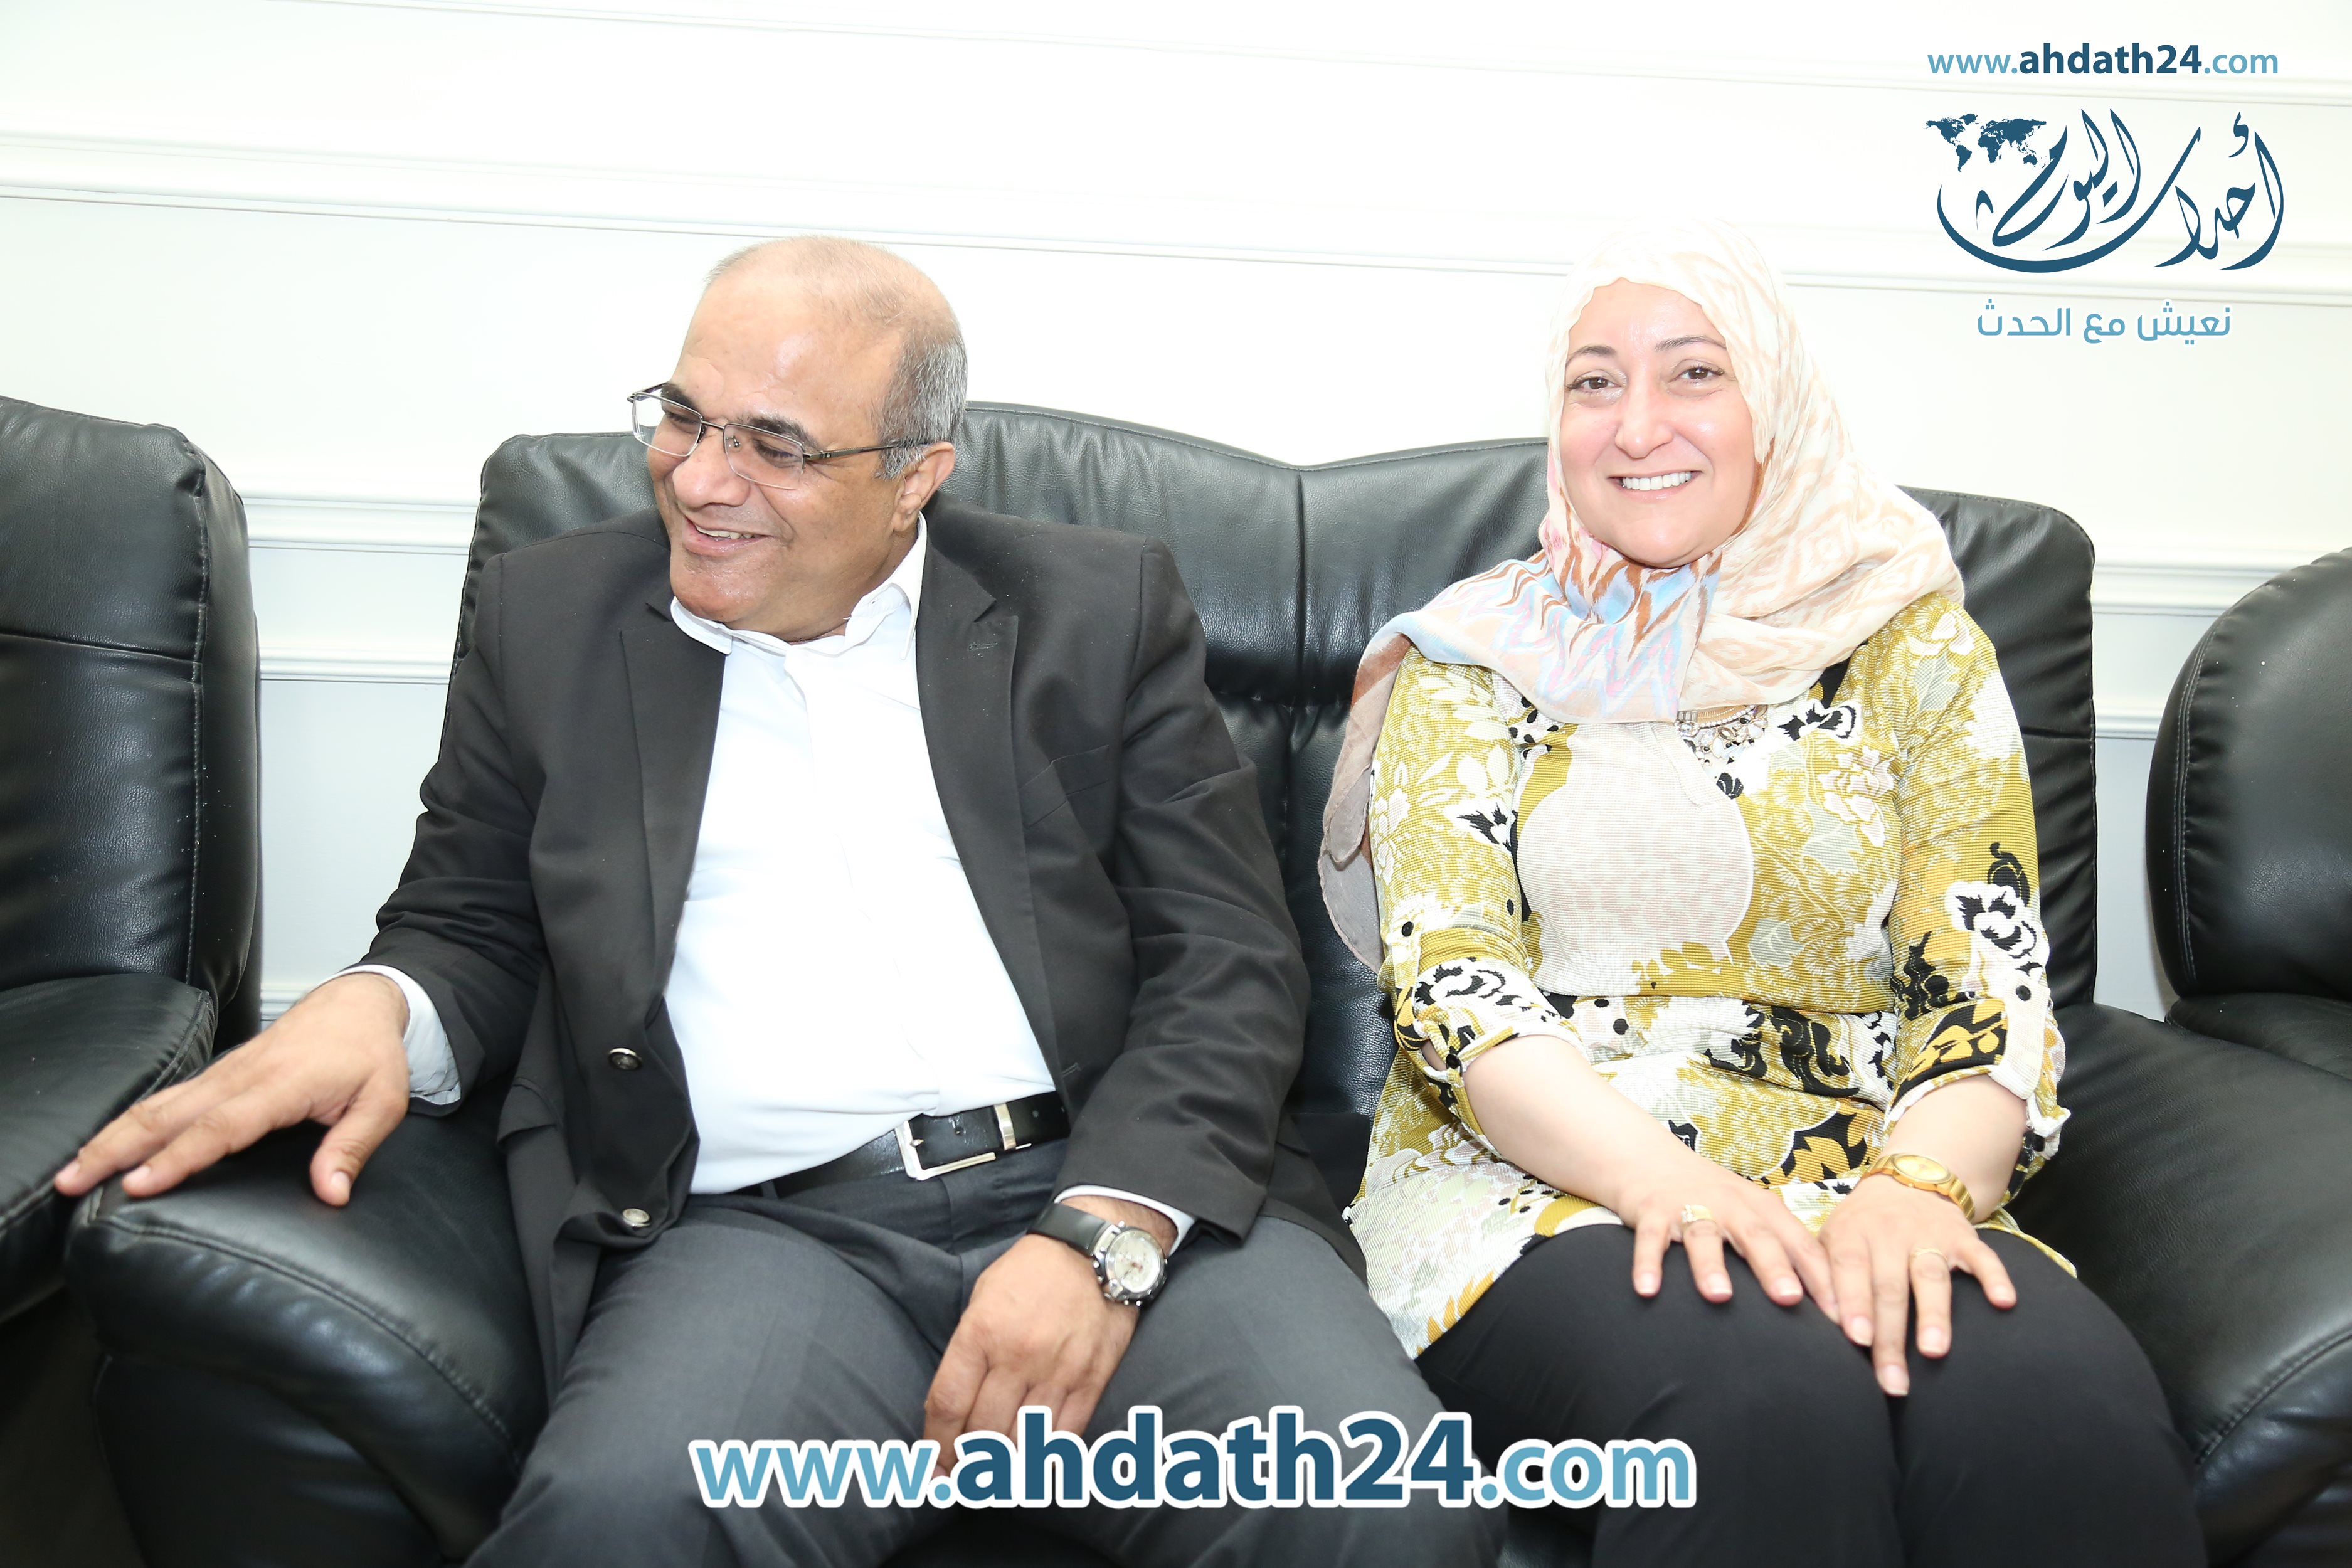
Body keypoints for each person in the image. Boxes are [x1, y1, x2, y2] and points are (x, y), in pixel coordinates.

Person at [60, 236, 1497, 1567]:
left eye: (777, 444)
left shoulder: (1093, 608)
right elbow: (470, 920)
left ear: (917, 474)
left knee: (1388, 1517)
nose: (700, 478)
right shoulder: (549, 619)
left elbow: (1227, 957)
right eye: (684, 416)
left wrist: (1103, 1234)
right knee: (614, 1524)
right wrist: (376, 1007)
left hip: (1120, 1194)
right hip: (772, 1237)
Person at [1318, 220, 2203, 1565]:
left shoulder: (1912, 642)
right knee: (1756, 1405)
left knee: (2054, 1415)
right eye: (1595, 382)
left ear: (1773, 405)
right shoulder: (1474, 656)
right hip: (1550, 1184)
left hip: (1870, 1163)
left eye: (1694, 372)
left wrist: (1918, 1189)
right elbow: (1456, 989)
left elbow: (1988, 976)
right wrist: (1671, 1183)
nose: (1638, 424)